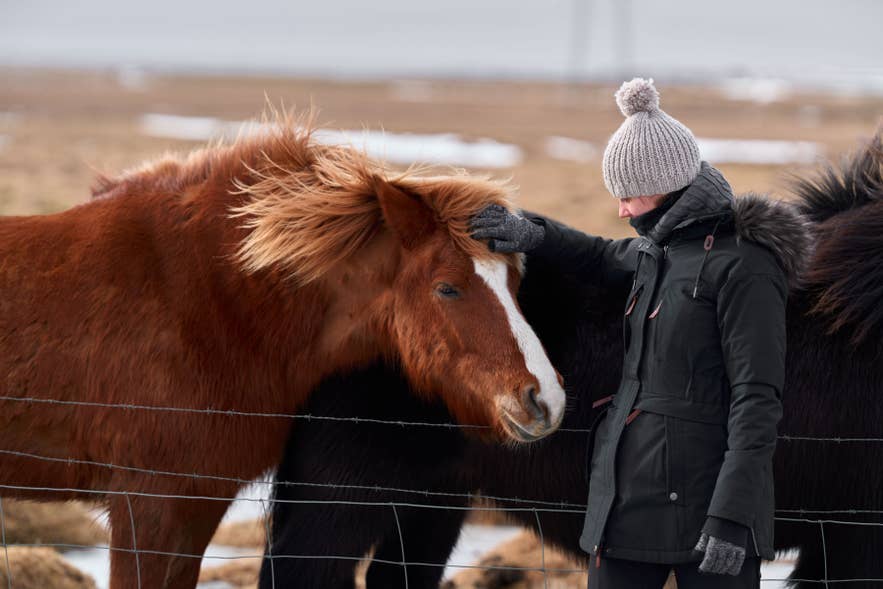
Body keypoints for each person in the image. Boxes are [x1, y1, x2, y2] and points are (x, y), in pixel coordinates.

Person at [469, 78, 800, 588]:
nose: (621, 211)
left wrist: (734, 516)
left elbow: (757, 400)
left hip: (711, 519)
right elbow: (600, 254)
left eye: (628, 196)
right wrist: (536, 233)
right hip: (624, 507)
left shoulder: (745, 267)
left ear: (667, 186)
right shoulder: (658, 252)